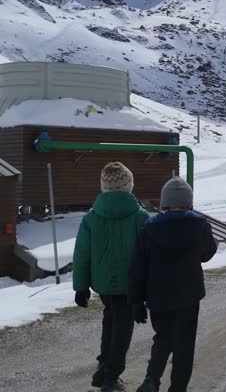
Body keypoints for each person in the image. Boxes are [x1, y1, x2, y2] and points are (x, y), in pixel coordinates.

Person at [129, 177, 218, 392]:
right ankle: (178, 387)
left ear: (164, 203)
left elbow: (137, 268)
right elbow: (207, 254)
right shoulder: (200, 225)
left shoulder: (148, 229)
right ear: (189, 202)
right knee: (185, 346)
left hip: (158, 296)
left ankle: (152, 379)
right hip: (188, 296)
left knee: (163, 339)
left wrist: (136, 302)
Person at [73, 162, 151, 392]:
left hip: (103, 284)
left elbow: (81, 254)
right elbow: (149, 256)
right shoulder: (141, 217)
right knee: (122, 329)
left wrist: (81, 287)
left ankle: (103, 365)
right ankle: (110, 376)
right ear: (129, 185)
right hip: (130, 285)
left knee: (110, 320)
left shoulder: (91, 218)